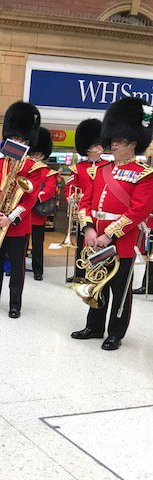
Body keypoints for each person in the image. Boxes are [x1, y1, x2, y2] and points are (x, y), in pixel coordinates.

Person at [71, 97, 153, 350]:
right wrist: (89, 228)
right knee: (97, 284)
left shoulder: (144, 175)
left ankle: (115, 332)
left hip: (122, 242)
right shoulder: (100, 171)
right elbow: (86, 202)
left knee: (120, 290)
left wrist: (108, 234)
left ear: (133, 143)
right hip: (95, 238)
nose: (114, 145)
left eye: (120, 141)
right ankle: (94, 326)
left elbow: (138, 212)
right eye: (113, 140)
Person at [0, 101, 46, 319]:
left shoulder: (35, 168)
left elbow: (31, 198)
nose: (18, 143)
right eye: (14, 139)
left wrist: (11, 217)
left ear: (28, 142)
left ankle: (15, 304)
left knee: (17, 267)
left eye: (22, 140)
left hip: (16, 225)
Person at [66, 119, 111, 282]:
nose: (100, 147)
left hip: (99, 212)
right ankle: (79, 274)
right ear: (88, 148)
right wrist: (72, 198)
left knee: (98, 244)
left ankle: (97, 272)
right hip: (83, 212)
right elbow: (70, 187)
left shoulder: (108, 166)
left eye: (100, 144)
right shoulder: (77, 168)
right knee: (81, 244)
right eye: (96, 144)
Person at [29, 127, 57, 281]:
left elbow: (50, 189)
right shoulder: (25, 169)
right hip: (24, 213)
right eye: (34, 154)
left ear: (43, 155)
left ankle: (38, 270)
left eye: (38, 154)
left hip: (37, 213)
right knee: (21, 244)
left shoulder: (48, 172)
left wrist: (34, 198)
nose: (36, 157)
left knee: (38, 245)